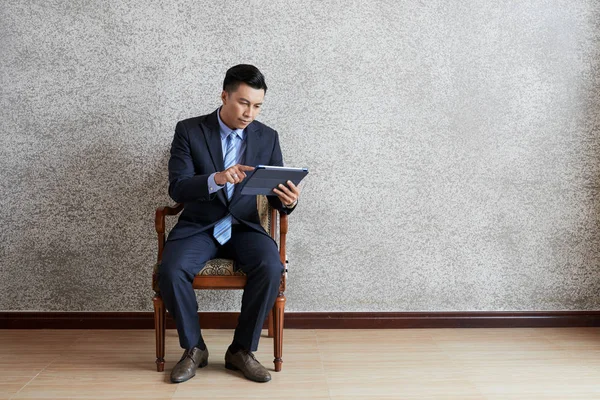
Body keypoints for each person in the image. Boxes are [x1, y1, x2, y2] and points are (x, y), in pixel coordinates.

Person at [158, 64, 300, 384]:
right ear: (224, 95)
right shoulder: (189, 131)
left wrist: (288, 201)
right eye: (243, 102)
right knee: (170, 269)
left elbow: (274, 195)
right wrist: (215, 179)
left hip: (246, 226)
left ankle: (241, 351)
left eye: (258, 105)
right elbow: (177, 188)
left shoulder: (268, 137)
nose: (250, 113)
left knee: (270, 266)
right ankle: (194, 348)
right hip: (200, 225)